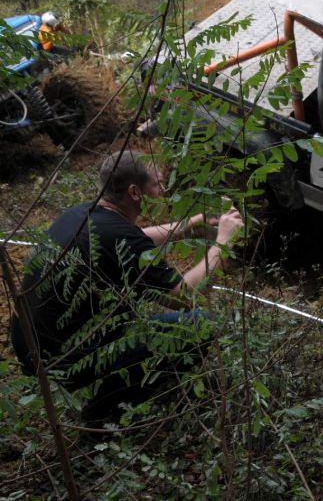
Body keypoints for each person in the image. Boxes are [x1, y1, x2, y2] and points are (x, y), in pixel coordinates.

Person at [9, 150, 243, 422]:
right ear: (134, 192)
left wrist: (190, 224)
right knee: (200, 324)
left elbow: (137, 237)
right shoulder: (119, 237)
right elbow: (184, 296)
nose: (163, 190)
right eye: (157, 184)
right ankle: (103, 415)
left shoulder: (82, 213)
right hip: (57, 360)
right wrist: (223, 242)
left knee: (128, 314)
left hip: (28, 342)